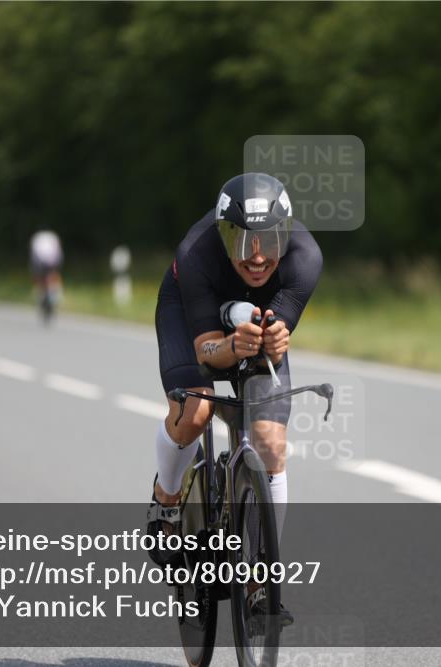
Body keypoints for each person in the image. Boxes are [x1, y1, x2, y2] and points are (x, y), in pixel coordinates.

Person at [147, 173, 322, 625]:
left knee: (271, 443)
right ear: (223, 236)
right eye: (242, 244)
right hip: (192, 313)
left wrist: (274, 341)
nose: (258, 257)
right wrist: (229, 347)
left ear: (285, 233)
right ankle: (166, 499)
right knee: (196, 410)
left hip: (250, 321)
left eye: (267, 241)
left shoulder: (305, 259)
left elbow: (274, 337)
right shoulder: (197, 253)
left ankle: (261, 578)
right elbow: (207, 349)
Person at [29, 230, 64, 322]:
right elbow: (58, 255)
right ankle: (52, 294)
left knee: (41, 277)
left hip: (42, 259)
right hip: (50, 259)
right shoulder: (50, 238)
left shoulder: (38, 238)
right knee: (51, 275)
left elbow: (33, 257)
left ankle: (43, 294)